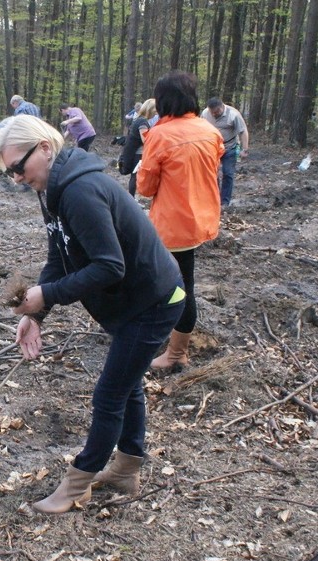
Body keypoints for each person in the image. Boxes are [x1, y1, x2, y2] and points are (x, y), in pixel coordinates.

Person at [0, 115, 185, 514]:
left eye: (19, 168)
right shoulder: (53, 189)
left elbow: (110, 266)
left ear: (44, 148)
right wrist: (36, 313)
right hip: (133, 302)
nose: (18, 179)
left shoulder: (80, 190)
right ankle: (127, 470)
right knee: (126, 387)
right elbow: (59, 254)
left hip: (155, 299)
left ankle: (78, 483)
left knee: (109, 394)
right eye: (10, 173)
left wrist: (47, 294)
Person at [138, 71, 224, 370]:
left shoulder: (160, 135)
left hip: (173, 225)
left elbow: (145, 188)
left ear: (161, 100)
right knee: (181, 280)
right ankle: (169, 340)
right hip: (201, 218)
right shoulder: (209, 130)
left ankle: (176, 353)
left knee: (177, 285)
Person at [201, 97, 249, 207]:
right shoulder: (205, 113)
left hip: (229, 147)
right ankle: (215, 199)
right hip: (212, 148)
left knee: (228, 173)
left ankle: (225, 202)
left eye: (217, 111)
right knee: (212, 174)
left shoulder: (233, 115)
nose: (214, 114)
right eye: (212, 112)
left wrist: (245, 149)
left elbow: (243, 132)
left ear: (222, 106)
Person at [118, 98, 156, 196]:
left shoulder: (140, 119)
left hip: (135, 152)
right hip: (137, 153)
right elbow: (146, 140)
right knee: (135, 176)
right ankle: (131, 198)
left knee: (135, 176)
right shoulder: (143, 122)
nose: (157, 112)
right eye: (155, 109)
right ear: (150, 109)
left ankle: (132, 197)